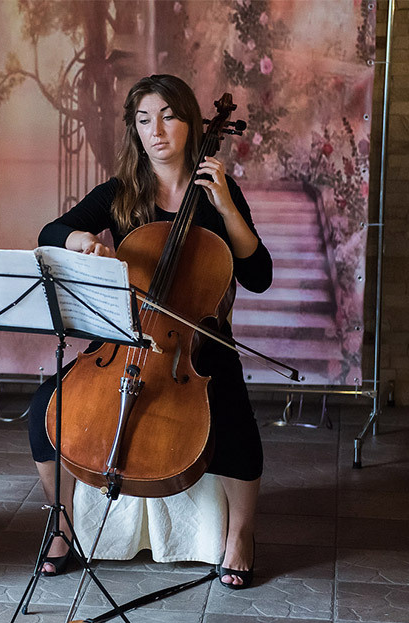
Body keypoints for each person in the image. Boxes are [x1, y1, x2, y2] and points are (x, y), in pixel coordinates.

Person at [26, 74, 271, 589]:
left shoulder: (216, 194)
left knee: (233, 417)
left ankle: (241, 535)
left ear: (191, 123)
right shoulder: (119, 193)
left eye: (167, 116)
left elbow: (258, 275)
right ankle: (61, 522)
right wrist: (81, 240)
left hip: (196, 343)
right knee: (48, 405)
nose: (154, 131)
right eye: (142, 121)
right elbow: (52, 231)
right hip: (126, 336)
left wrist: (226, 204)